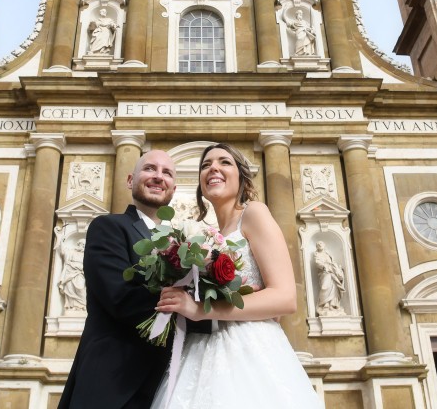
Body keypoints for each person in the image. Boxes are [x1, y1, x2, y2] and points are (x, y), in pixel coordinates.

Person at [152, 143, 322, 408]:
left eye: (224, 162)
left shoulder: (254, 213)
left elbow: (285, 298)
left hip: (250, 350)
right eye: (206, 165)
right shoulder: (206, 235)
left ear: (242, 178)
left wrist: (199, 309)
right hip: (203, 347)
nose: (213, 168)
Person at [59, 150, 180, 408]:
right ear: (130, 180)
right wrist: (189, 306)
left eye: (166, 172)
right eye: (149, 169)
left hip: (170, 383)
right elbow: (119, 297)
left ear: (174, 187)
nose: (158, 176)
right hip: (115, 382)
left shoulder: (183, 244)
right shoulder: (109, 227)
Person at [313, 241, 346, 317]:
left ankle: (331, 304)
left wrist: (337, 268)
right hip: (324, 273)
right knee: (325, 286)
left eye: (321, 243)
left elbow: (333, 262)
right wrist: (324, 267)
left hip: (332, 272)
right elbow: (317, 262)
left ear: (324, 245)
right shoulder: (317, 254)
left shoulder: (328, 254)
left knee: (334, 287)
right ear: (316, 247)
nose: (319, 244)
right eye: (318, 244)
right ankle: (325, 303)